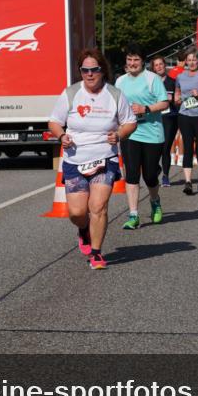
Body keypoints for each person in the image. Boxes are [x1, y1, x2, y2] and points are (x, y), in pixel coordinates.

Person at [49, 49, 137, 269]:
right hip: (75, 159)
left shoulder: (114, 95)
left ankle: (97, 253)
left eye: (94, 69)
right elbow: (54, 122)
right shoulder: (70, 93)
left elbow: (130, 122)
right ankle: (83, 229)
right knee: (77, 212)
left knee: (98, 207)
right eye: (85, 70)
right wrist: (61, 135)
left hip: (104, 158)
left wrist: (119, 135)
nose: (89, 74)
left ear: (102, 70)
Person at [115, 44, 170, 230]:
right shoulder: (120, 81)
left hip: (152, 133)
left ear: (143, 62)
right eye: (129, 60)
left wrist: (146, 109)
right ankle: (133, 215)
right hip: (130, 133)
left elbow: (164, 103)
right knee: (131, 174)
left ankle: (155, 200)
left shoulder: (152, 79)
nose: (132, 63)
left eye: (136, 60)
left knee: (149, 175)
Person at [173, 46, 198, 195]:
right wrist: (176, 99)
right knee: (188, 148)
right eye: (189, 60)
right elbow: (177, 93)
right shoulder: (180, 77)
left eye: (194, 60)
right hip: (185, 116)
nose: (191, 63)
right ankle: (188, 182)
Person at [151, 55, 179, 186]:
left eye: (161, 64)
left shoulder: (173, 82)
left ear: (164, 65)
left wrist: (174, 100)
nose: (159, 67)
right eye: (156, 65)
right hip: (154, 118)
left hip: (169, 118)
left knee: (166, 147)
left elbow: (178, 100)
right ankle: (156, 168)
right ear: (153, 68)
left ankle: (166, 176)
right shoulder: (150, 83)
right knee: (155, 147)